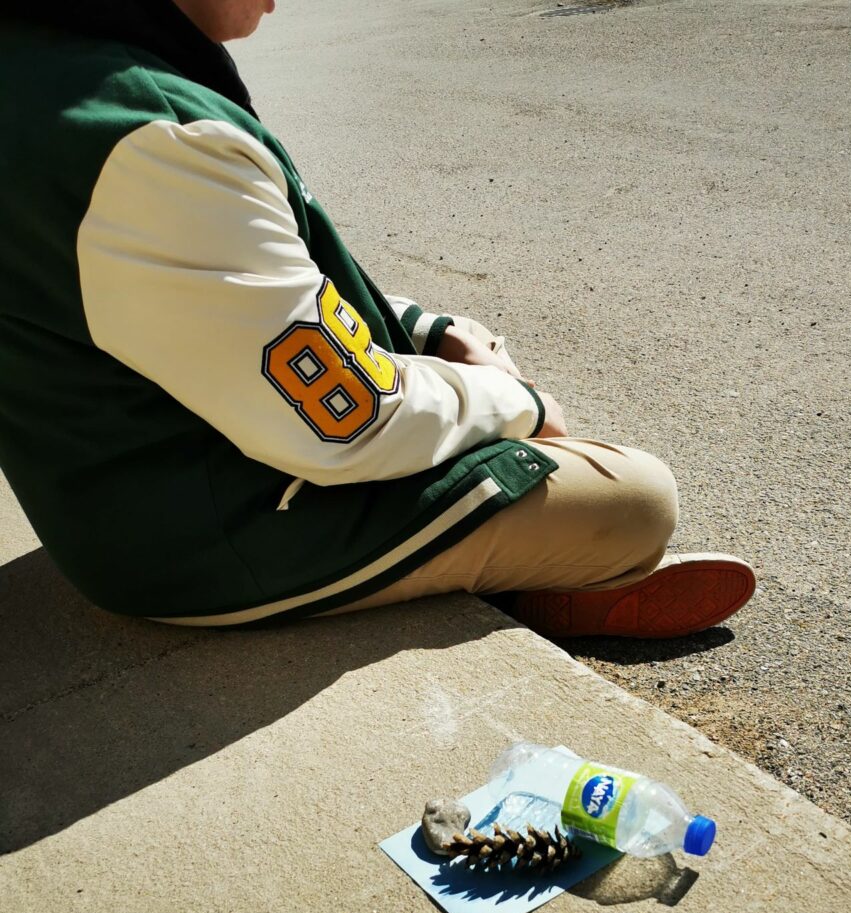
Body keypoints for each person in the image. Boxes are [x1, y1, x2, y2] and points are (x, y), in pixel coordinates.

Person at [0, 0, 755, 637]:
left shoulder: (49, 64)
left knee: (461, 389)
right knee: (636, 499)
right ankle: (528, 580)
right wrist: (518, 403)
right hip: (210, 531)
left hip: (125, 480)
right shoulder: (149, 132)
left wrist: (429, 331)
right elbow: (348, 421)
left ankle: (497, 562)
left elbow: (235, 290)